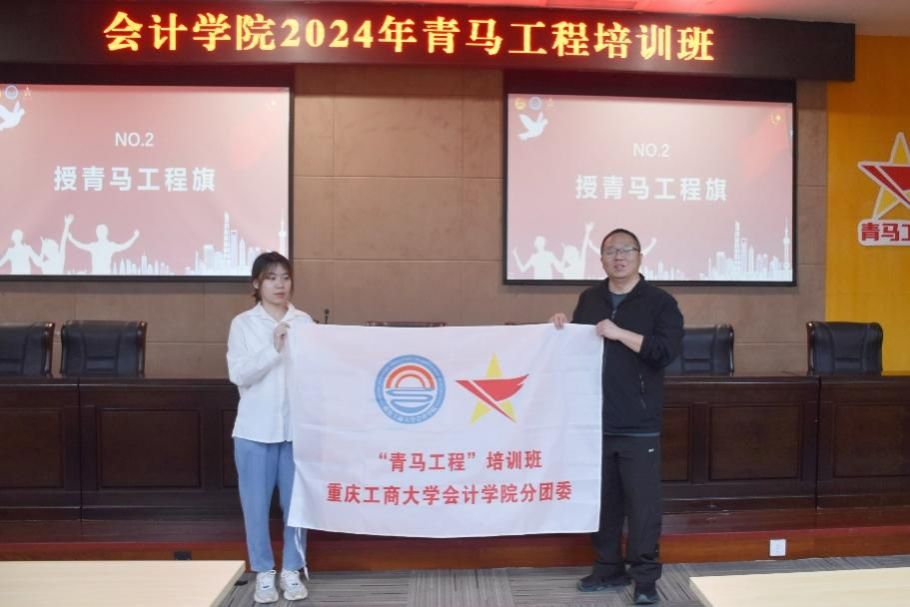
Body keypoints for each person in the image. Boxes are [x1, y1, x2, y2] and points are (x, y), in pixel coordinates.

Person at [551, 228, 683, 605]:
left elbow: (664, 351)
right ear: (601, 259)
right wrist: (561, 328)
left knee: (643, 507)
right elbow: (578, 349)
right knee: (603, 502)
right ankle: (608, 568)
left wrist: (619, 333)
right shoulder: (590, 299)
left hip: (638, 424)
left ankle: (645, 580)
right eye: (610, 251)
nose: (618, 257)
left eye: (626, 250)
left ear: (640, 256)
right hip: (594, 421)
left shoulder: (660, 302)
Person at [227, 251, 311, 604]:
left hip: (296, 432)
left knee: (297, 507)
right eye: (271, 278)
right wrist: (273, 349)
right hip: (254, 431)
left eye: (285, 277)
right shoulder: (243, 324)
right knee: (255, 507)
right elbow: (239, 374)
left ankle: (292, 569)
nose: (280, 284)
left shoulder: (304, 322)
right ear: (256, 284)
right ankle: (263, 571)